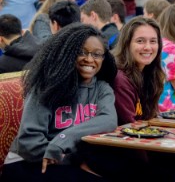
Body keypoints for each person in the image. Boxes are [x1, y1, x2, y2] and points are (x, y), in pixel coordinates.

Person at [0, 23, 118, 181]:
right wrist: (72, 158)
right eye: (82, 52)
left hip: (65, 158)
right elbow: (29, 143)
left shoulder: (101, 88)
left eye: (97, 54)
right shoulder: (47, 86)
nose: (89, 59)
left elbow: (108, 119)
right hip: (28, 162)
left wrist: (63, 140)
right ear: (67, 54)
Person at [81, 17, 175, 182]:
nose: (148, 47)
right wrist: (149, 163)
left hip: (131, 144)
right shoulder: (120, 78)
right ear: (127, 44)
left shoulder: (148, 74)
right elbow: (128, 127)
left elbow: (149, 119)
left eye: (153, 41)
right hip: (107, 150)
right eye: (140, 41)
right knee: (166, 171)